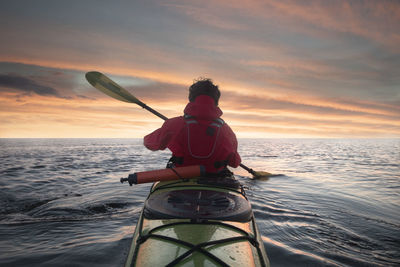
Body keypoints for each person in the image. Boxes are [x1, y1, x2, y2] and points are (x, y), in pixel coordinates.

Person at [143, 78, 241, 175]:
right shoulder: (227, 130)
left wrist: (166, 129)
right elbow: (234, 163)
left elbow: (149, 143)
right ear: (216, 102)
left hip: (181, 178)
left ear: (191, 99)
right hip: (215, 180)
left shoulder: (174, 124)